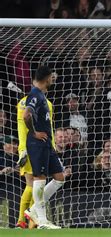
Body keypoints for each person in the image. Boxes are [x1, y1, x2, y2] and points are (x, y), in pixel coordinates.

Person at [22, 65, 64, 229]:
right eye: (52, 77)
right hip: (37, 143)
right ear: (47, 78)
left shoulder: (41, 95)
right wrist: (34, 133)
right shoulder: (34, 94)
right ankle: (42, 220)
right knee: (40, 178)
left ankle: (33, 211)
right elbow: (26, 115)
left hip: (46, 144)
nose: (53, 80)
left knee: (60, 177)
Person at [15, 91, 57, 229]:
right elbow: (46, 128)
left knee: (34, 184)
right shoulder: (42, 103)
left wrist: (22, 150)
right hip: (35, 147)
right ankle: (27, 221)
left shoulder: (23, 102)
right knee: (34, 184)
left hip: (30, 147)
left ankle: (27, 221)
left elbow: (22, 129)